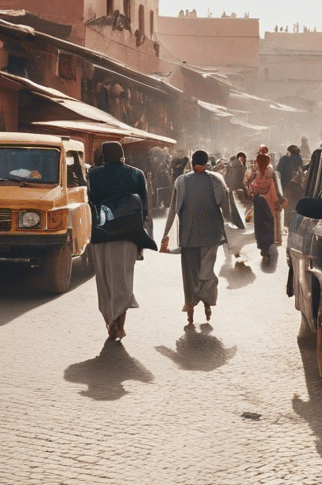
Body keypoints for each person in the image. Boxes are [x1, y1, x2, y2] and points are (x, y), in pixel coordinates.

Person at [160, 150, 244, 324]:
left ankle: (190, 308)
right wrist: (235, 225)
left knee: (190, 274)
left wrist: (165, 234)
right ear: (206, 163)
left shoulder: (181, 181)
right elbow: (227, 207)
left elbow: (173, 210)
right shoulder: (216, 180)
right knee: (206, 271)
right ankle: (207, 301)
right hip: (211, 235)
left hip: (189, 236)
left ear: (191, 162)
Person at [86, 141, 154, 341]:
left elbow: (91, 202)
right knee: (123, 280)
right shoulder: (136, 174)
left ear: (104, 157)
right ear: (122, 155)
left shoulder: (93, 174)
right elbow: (144, 208)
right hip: (128, 234)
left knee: (105, 279)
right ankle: (120, 324)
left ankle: (110, 322)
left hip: (102, 233)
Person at [248, 151, 284, 257]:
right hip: (269, 203)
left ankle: (262, 245)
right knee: (269, 223)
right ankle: (267, 245)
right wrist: (277, 201)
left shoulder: (256, 175)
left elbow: (251, 188)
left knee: (259, 224)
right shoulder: (271, 175)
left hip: (259, 203)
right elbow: (274, 192)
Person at [277, 145, 305, 229]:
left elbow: (279, 171)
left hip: (287, 186)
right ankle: (297, 223)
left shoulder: (285, 159)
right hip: (298, 186)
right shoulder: (299, 159)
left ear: (289, 151)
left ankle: (288, 224)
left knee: (288, 204)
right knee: (296, 204)